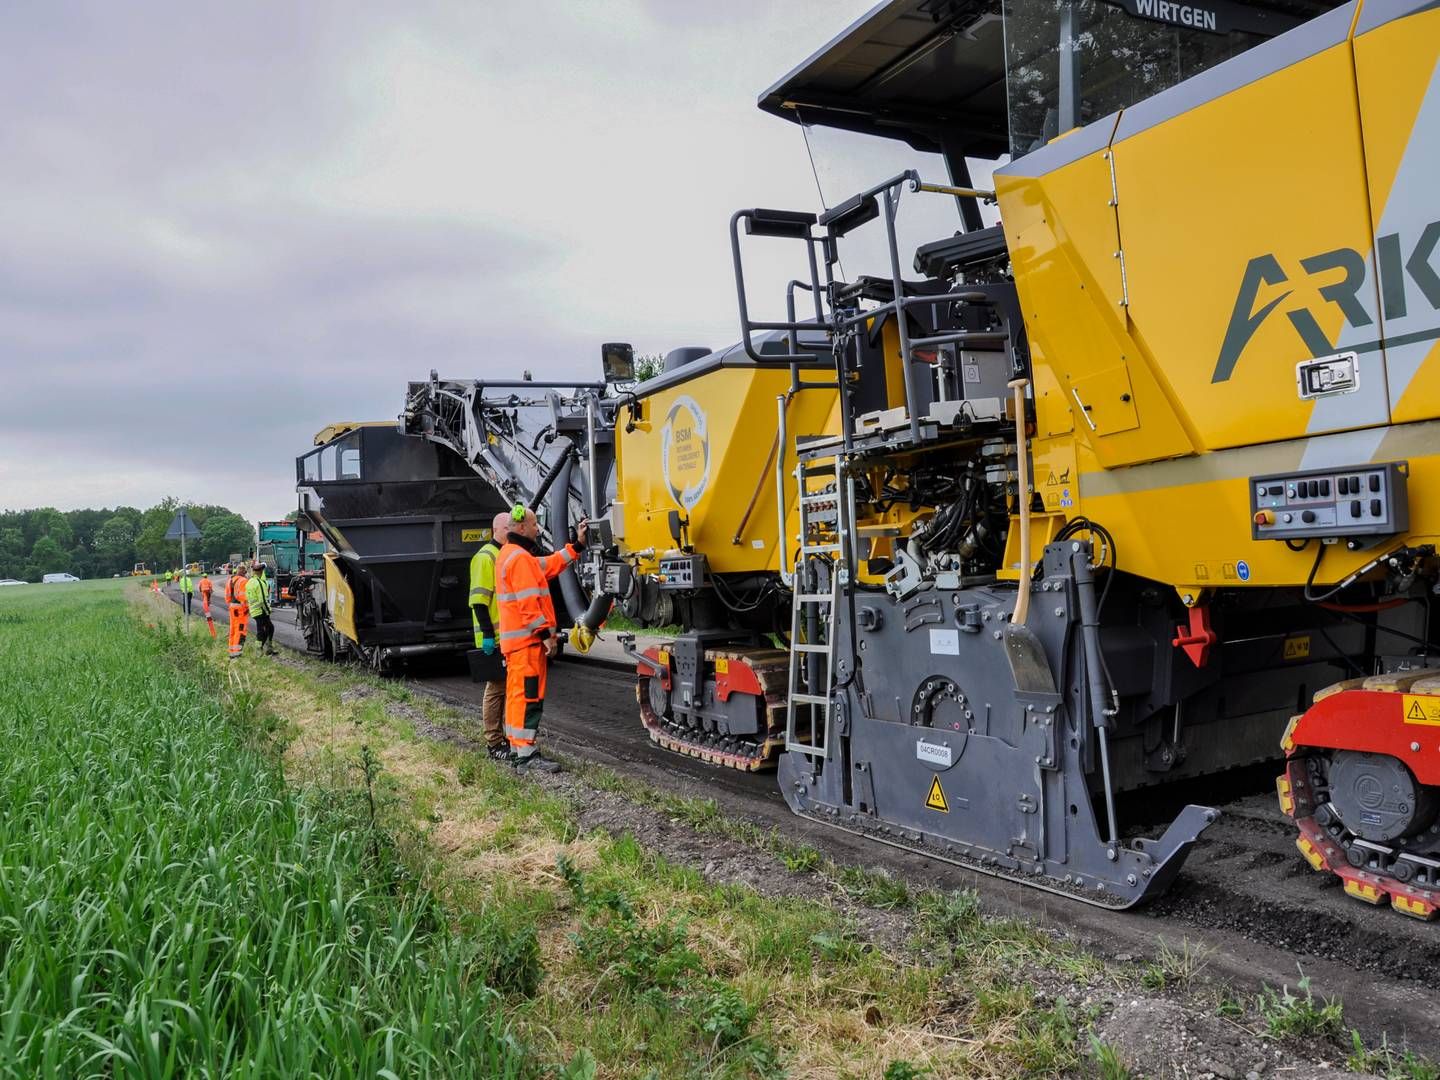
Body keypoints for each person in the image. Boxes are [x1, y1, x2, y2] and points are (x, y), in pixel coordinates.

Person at [495, 506, 587, 771]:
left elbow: (551, 564)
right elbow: (529, 605)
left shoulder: (510, 555)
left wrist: (577, 546)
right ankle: (526, 754)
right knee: (529, 696)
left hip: (516, 645)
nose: (537, 529)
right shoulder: (520, 559)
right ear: (522, 528)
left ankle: (517, 749)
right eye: (535, 525)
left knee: (517, 695)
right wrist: (546, 635)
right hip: (527, 644)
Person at [468, 511, 512, 761]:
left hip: (504, 636)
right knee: (495, 689)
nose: (511, 533)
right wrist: (487, 634)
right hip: (493, 638)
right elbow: (479, 601)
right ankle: (494, 741)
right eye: (508, 529)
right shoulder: (486, 557)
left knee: (503, 689)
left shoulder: (500, 555)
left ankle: (500, 737)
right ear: (496, 529)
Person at [247, 562, 277, 655]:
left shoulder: (250, 582)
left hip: (254, 610)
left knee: (268, 628)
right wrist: (268, 610)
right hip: (261, 610)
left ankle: (266, 649)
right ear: (261, 571)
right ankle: (258, 650)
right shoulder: (259, 583)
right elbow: (263, 600)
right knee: (263, 631)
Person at [226, 563, 248, 659]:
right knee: (240, 631)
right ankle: (237, 654)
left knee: (233, 631)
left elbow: (227, 597)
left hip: (232, 607)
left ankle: (232, 652)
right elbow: (243, 597)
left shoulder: (230, 580)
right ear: (244, 571)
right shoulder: (243, 581)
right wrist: (246, 608)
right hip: (240, 610)